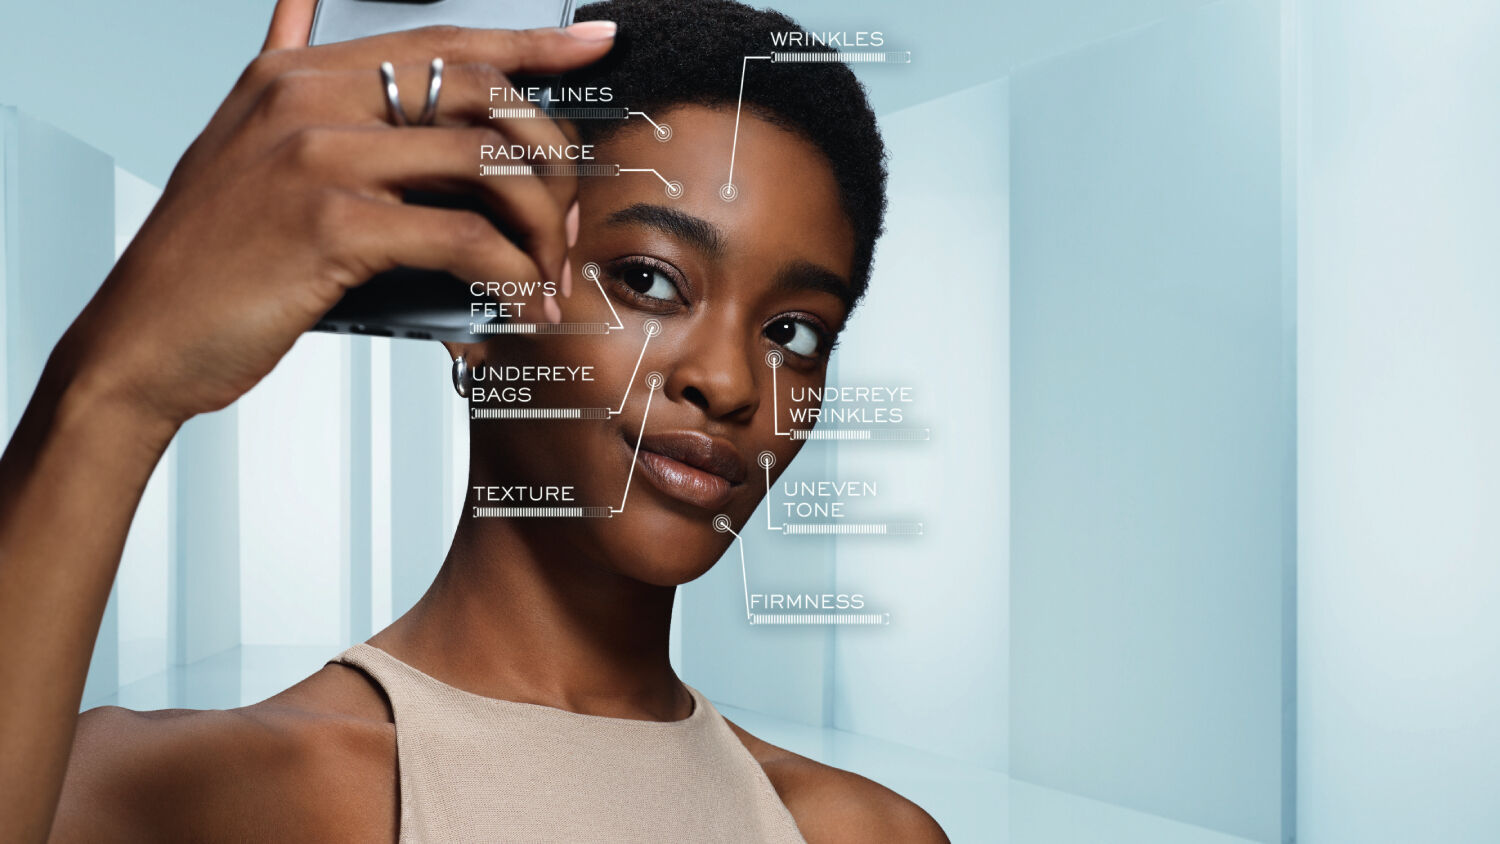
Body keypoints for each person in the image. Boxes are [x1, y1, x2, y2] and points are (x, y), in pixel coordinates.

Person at [0, 0, 948, 840]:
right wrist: (112, 388)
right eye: (649, 280)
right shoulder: (176, 796)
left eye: (794, 331)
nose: (729, 380)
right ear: (477, 300)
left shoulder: (863, 832)